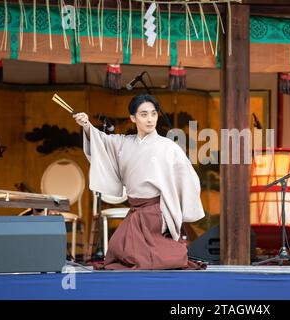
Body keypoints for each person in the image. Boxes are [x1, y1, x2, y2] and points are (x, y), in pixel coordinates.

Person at [73, 94, 205, 270]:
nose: (150, 119)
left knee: (138, 257)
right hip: (135, 210)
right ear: (133, 118)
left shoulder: (169, 147)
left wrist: (177, 209)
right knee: (117, 249)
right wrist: (87, 125)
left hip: (157, 213)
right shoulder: (124, 143)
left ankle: (166, 255)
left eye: (153, 114)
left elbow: (189, 180)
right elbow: (101, 141)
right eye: (144, 114)